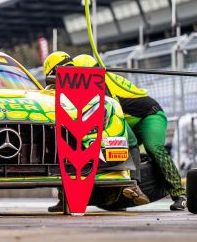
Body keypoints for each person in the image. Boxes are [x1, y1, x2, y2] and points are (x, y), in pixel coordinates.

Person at [72, 54, 187, 211]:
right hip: (129, 121)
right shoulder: (96, 80)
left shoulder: (101, 82)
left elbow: (111, 113)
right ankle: (121, 194)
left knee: (153, 147)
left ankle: (180, 195)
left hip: (150, 115)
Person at [42, 51, 150, 213]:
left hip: (71, 124)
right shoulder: (85, 75)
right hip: (90, 122)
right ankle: (133, 184)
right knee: (130, 142)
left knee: (61, 153)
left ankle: (65, 198)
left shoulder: (52, 87)